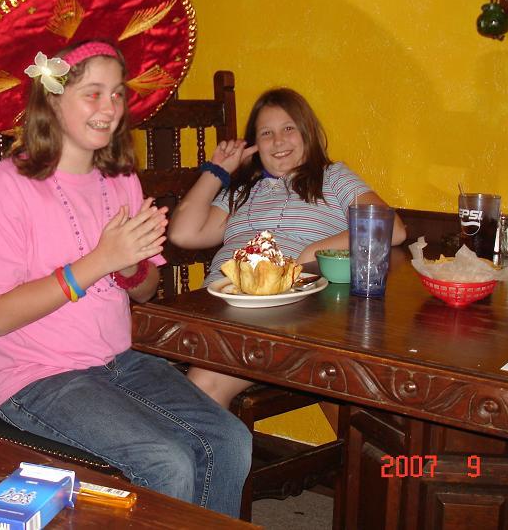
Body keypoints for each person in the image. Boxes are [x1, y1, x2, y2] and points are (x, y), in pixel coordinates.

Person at [0, 40, 251, 517]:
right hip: (36, 378)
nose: (110, 108)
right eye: (92, 93)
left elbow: (146, 288)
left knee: (230, 440)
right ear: (53, 98)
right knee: (168, 462)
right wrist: (100, 260)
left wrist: (128, 267)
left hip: (119, 361)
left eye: (117, 94)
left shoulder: (120, 180)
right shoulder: (2, 188)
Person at [168, 87, 407, 407]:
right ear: (255, 144)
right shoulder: (241, 191)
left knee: (203, 386)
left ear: (308, 133)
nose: (278, 141)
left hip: (284, 314)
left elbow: (390, 228)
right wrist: (219, 171)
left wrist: (312, 254)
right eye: (266, 133)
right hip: (219, 307)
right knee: (165, 379)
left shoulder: (332, 177)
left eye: (288, 129)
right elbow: (183, 234)